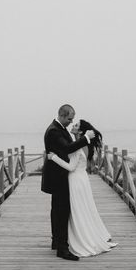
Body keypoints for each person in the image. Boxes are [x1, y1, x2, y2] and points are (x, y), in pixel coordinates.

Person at [47, 119, 117, 258]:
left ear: (80, 131)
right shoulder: (86, 145)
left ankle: (80, 239)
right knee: (83, 209)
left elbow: (71, 167)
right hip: (82, 179)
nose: (73, 125)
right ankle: (83, 235)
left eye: (77, 125)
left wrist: (53, 157)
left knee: (77, 210)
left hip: (75, 180)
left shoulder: (78, 147)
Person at [41, 104, 95, 261]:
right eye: (70, 119)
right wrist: (86, 138)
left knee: (57, 210)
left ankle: (56, 241)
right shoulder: (53, 131)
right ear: (62, 115)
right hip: (58, 177)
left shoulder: (60, 129)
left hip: (60, 175)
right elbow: (67, 148)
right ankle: (62, 249)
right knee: (61, 211)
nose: (71, 122)